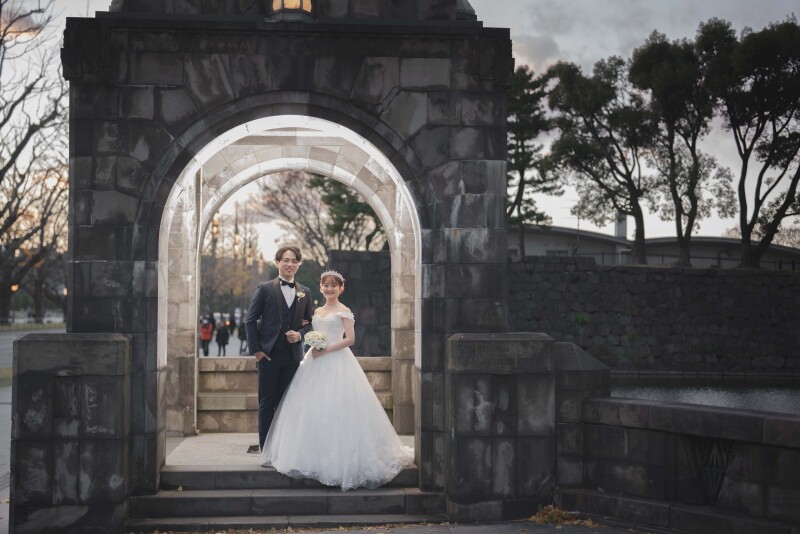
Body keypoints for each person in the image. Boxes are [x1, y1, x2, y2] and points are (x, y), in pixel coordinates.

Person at [260, 270, 413, 491]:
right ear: (321, 287)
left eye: (334, 285)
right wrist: (310, 342)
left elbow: (350, 339)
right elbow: (307, 328)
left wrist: (326, 349)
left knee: (338, 407)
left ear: (341, 288)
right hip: (313, 361)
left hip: (337, 360)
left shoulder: (344, 311)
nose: (329, 289)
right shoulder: (317, 310)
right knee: (310, 409)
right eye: (325, 285)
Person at [245, 245, 314, 450]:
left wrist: (299, 335)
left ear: (299, 264)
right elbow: (250, 320)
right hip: (268, 356)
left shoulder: (305, 292)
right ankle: (266, 449)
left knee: (288, 404)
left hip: (293, 357)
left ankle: (284, 449)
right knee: (267, 404)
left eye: (294, 261)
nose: (290, 264)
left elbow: (310, 323)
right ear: (277, 263)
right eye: (286, 260)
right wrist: (257, 351)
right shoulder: (265, 289)